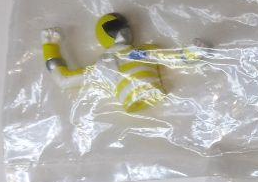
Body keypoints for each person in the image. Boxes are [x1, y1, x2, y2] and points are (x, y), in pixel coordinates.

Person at [41, 12, 203, 114]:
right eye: (119, 28)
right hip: (143, 101)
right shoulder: (105, 65)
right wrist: (50, 46)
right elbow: (64, 80)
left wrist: (193, 53)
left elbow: (172, 58)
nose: (125, 31)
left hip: (154, 97)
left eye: (125, 27)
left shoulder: (139, 53)